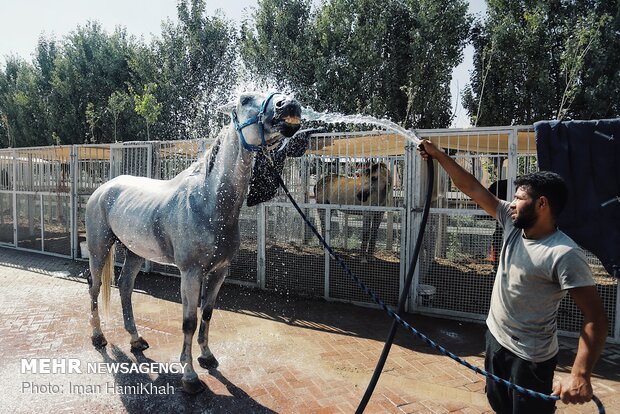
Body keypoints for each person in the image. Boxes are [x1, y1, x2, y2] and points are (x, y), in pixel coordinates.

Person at [417, 140, 608, 414]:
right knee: (499, 405)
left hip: (531, 358)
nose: (513, 203)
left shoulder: (564, 253)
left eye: (519, 198)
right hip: (496, 340)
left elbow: (596, 318)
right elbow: (470, 187)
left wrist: (580, 374)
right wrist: (439, 156)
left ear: (541, 204)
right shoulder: (511, 222)